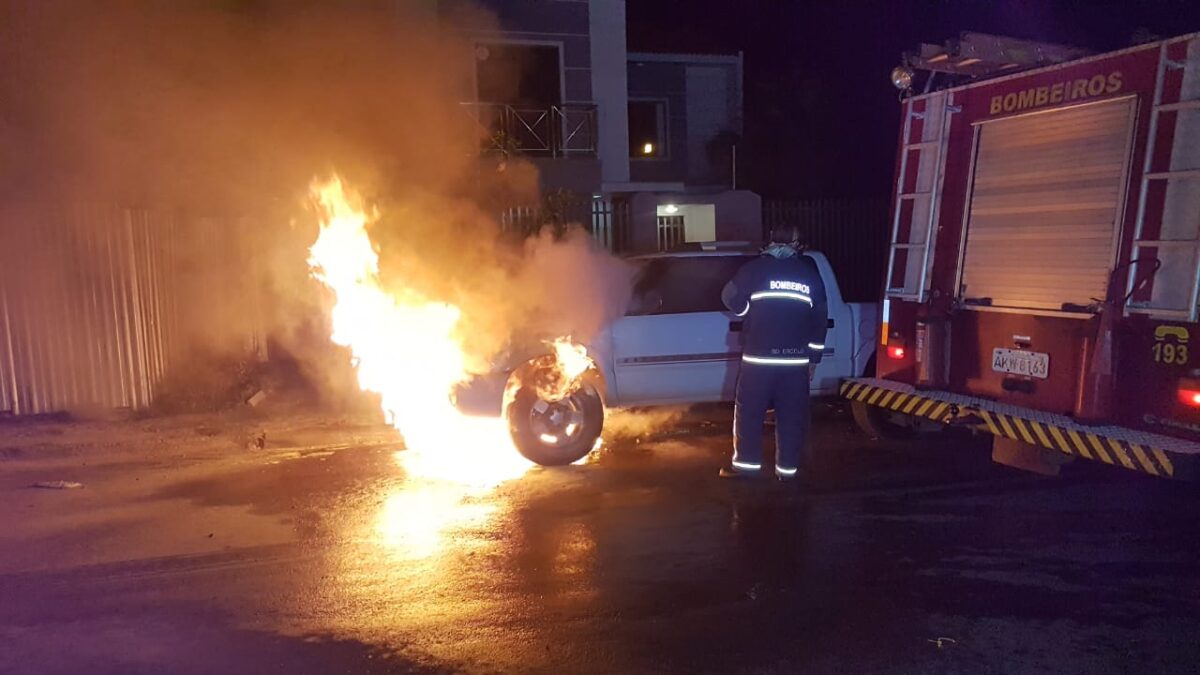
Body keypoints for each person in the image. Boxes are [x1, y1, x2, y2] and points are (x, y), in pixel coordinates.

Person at [719, 225, 828, 481]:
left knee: (750, 413)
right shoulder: (808, 274)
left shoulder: (755, 269)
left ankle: (746, 469)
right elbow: (820, 320)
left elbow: (729, 296)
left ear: (769, 242)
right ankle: (788, 472)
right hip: (795, 362)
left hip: (758, 360)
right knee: (791, 416)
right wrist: (813, 360)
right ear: (798, 244)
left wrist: (746, 310)